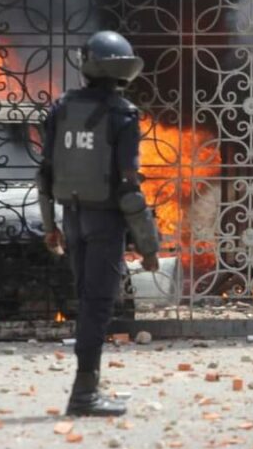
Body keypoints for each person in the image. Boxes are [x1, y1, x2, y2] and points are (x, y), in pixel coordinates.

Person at [36, 31, 160, 417]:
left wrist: (49, 227)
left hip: (72, 218)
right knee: (98, 305)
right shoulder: (123, 115)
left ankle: (88, 385)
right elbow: (128, 189)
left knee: (87, 300)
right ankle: (84, 394)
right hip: (105, 222)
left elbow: (45, 174)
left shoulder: (60, 110)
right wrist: (149, 245)